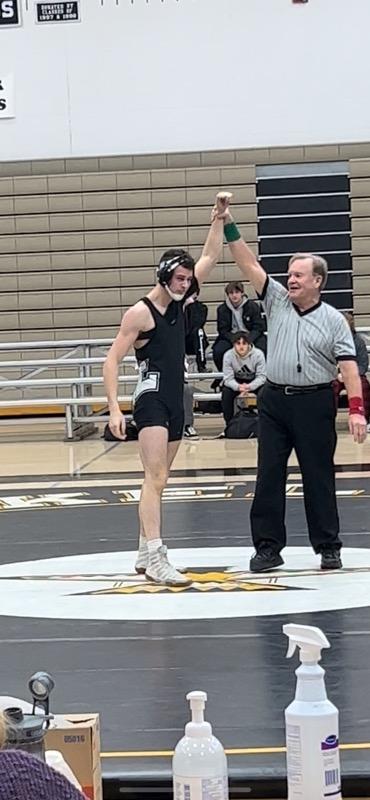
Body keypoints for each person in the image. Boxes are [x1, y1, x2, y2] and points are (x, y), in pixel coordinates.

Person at [222, 212, 367, 573]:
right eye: (289, 274)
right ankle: (268, 549)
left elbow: (349, 368)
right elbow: (247, 261)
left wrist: (356, 409)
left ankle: (328, 546)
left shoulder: (334, 319)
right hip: (274, 401)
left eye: (298, 275)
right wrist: (227, 222)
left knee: (318, 475)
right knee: (268, 474)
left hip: (314, 402)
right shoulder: (276, 300)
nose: (291, 280)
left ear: (318, 280)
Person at [103, 192, 231, 587]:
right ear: (164, 276)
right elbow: (111, 360)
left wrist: (219, 218)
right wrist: (113, 409)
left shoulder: (183, 298)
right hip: (152, 397)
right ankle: (157, 556)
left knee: (160, 478)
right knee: (154, 477)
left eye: (188, 280)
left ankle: (144, 551)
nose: (187, 284)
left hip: (176, 396)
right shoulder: (140, 312)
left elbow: (209, 256)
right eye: (180, 278)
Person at [212, 280, 266, 372]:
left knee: (263, 347)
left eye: (237, 292)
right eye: (231, 293)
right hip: (231, 337)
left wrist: (248, 339)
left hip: (251, 335)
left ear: (242, 293)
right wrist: (234, 339)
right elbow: (222, 330)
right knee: (218, 351)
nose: (234, 295)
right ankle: (223, 374)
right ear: (227, 295)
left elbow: (259, 327)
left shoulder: (253, 306)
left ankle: (262, 373)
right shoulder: (222, 309)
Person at [332, 311, 370, 427]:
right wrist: (337, 373)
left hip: (355, 375)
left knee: (364, 387)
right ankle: (327, 420)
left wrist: (349, 375)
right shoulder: (331, 341)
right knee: (329, 389)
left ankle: (364, 419)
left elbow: (363, 365)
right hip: (337, 375)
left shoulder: (358, 342)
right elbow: (327, 363)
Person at [221, 330, 266, 426]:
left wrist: (250, 387)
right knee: (226, 393)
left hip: (254, 381)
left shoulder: (258, 355)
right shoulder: (228, 355)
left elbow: (262, 377)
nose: (241, 346)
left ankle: (264, 423)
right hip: (236, 381)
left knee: (264, 393)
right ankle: (229, 424)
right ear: (233, 344)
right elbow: (227, 379)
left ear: (249, 344)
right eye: (238, 343)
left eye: (244, 343)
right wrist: (238, 387)